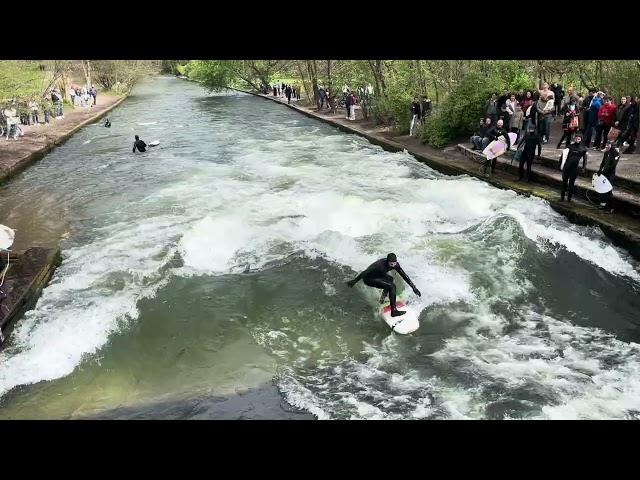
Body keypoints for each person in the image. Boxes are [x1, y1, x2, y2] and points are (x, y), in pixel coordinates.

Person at [346, 253, 421, 318]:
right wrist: (354, 281)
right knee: (392, 286)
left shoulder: (395, 264)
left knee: (390, 279)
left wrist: (414, 288)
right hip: (369, 279)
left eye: (394, 263)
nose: (393, 265)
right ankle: (394, 312)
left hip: (379, 276)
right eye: (391, 264)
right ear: (387, 262)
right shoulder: (379, 266)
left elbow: (404, 275)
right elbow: (365, 272)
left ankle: (382, 298)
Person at [560, 133, 588, 202]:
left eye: (579, 139)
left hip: (575, 169)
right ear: (574, 139)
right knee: (564, 183)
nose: (577, 140)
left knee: (571, 184)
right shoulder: (569, 146)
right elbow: (562, 157)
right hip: (567, 167)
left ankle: (569, 198)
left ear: (581, 139)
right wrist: (561, 165)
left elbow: (585, 159)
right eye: (576, 138)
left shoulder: (583, 149)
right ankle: (562, 197)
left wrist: (584, 168)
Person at [597, 144, 620, 211]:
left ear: (612, 146)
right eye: (606, 145)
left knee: (608, 190)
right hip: (604, 173)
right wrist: (600, 170)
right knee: (602, 189)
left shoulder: (616, 154)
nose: (606, 147)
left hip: (610, 174)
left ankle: (612, 206)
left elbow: (613, 165)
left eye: (608, 146)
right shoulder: (606, 152)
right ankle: (603, 204)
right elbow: (603, 162)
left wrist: (605, 170)